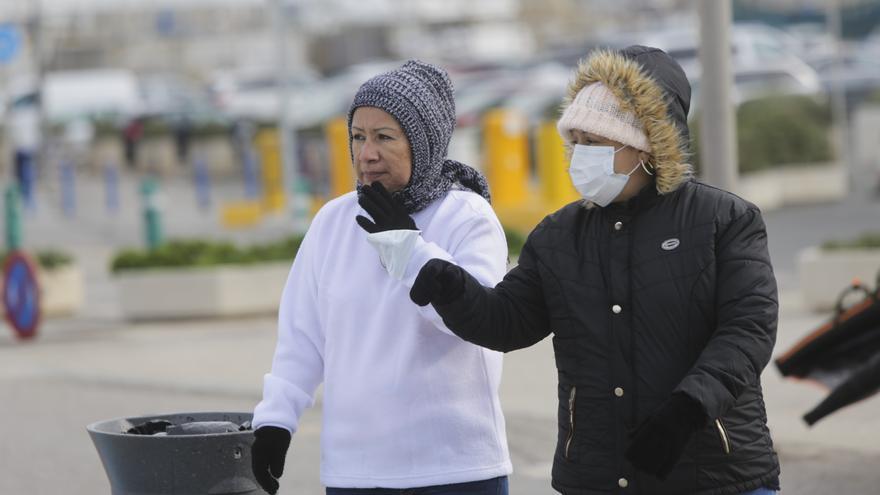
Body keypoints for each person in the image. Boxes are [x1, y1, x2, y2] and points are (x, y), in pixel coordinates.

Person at [408, 46, 781, 495]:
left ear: (647, 144)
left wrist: (688, 408)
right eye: (577, 142)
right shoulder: (558, 236)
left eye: (596, 143)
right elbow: (508, 322)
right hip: (598, 477)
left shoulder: (725, 220)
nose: (580, 155)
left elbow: (749, 329)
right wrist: (454, 289)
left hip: (717, 476)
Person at [250, 60, 512, 495]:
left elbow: (473, 323)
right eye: (358, 136)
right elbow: (301, 338)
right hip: (355, 471)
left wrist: (408, 248)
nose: (366, 154)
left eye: (384, 137)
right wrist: (276, 421)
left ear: (422, 143)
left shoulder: (466, 216)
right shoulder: (333, 221)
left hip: (455, 469)